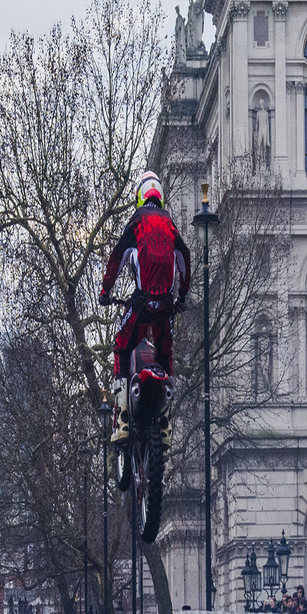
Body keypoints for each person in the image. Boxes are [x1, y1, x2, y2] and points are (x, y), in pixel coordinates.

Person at [99, 171, 191, 447]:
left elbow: (117, 258)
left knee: (120, 348)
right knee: (166, 354)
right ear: (160, 196)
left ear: (140, 195)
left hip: (140, 305)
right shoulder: (172, 225)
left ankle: (124, 417)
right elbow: (184, 259)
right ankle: (164, 422)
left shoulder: (137, 221)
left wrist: (105, 291)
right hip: (165, 308)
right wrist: (182, 297)